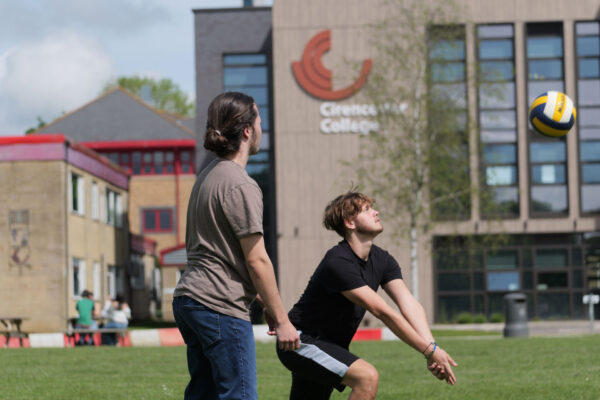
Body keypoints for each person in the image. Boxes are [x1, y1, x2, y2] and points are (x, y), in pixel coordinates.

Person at [172, 92, 300, 400]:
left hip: (190, 299)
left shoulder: (207, 177)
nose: (260, 128)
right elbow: (257, 260)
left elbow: (220, 253)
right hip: (219, 305)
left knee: (205, 395)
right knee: (239, 396)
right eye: (259, 121)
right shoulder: (240, 184)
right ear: (247, 131)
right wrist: (283, 320)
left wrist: (266, 302)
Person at [275, 191, 458, 399]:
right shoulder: (338, 262)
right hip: (301, 341)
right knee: (366, 377)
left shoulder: (382, 259)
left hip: (330, 346)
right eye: (367, 210)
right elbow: (382, 311)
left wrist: (432, 348)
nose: (376, 212)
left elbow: (409, 304)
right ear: (350, 223)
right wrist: (429, 351)